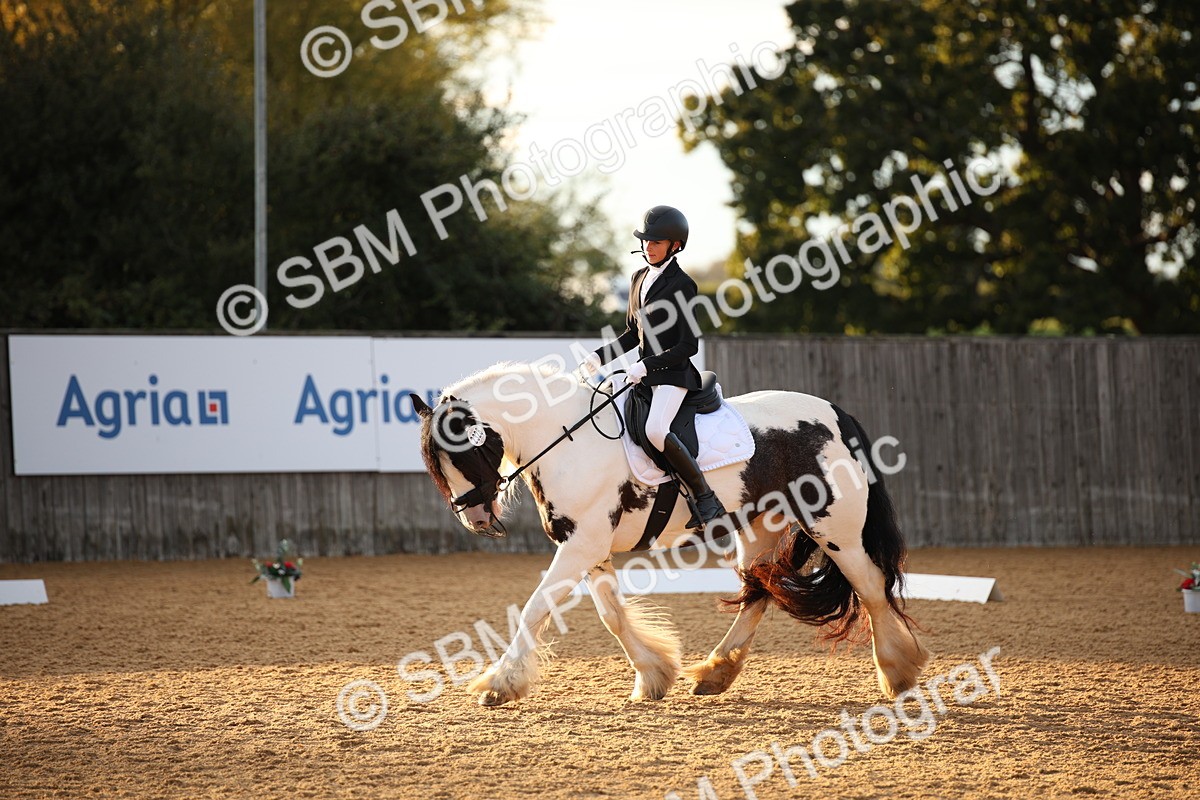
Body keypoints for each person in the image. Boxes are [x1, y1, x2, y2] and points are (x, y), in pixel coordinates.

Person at [579, 205, 724, 530]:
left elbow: (689, 345)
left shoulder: (682, 284)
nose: (649, 246)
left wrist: (647, 366)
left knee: (656, 430)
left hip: (673, 376)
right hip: (644, 376)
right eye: (646, 240)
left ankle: (706, 500)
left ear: (675, 245)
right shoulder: (638, 278)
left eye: (657, 242)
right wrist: (600, 356)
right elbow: (633, 333)